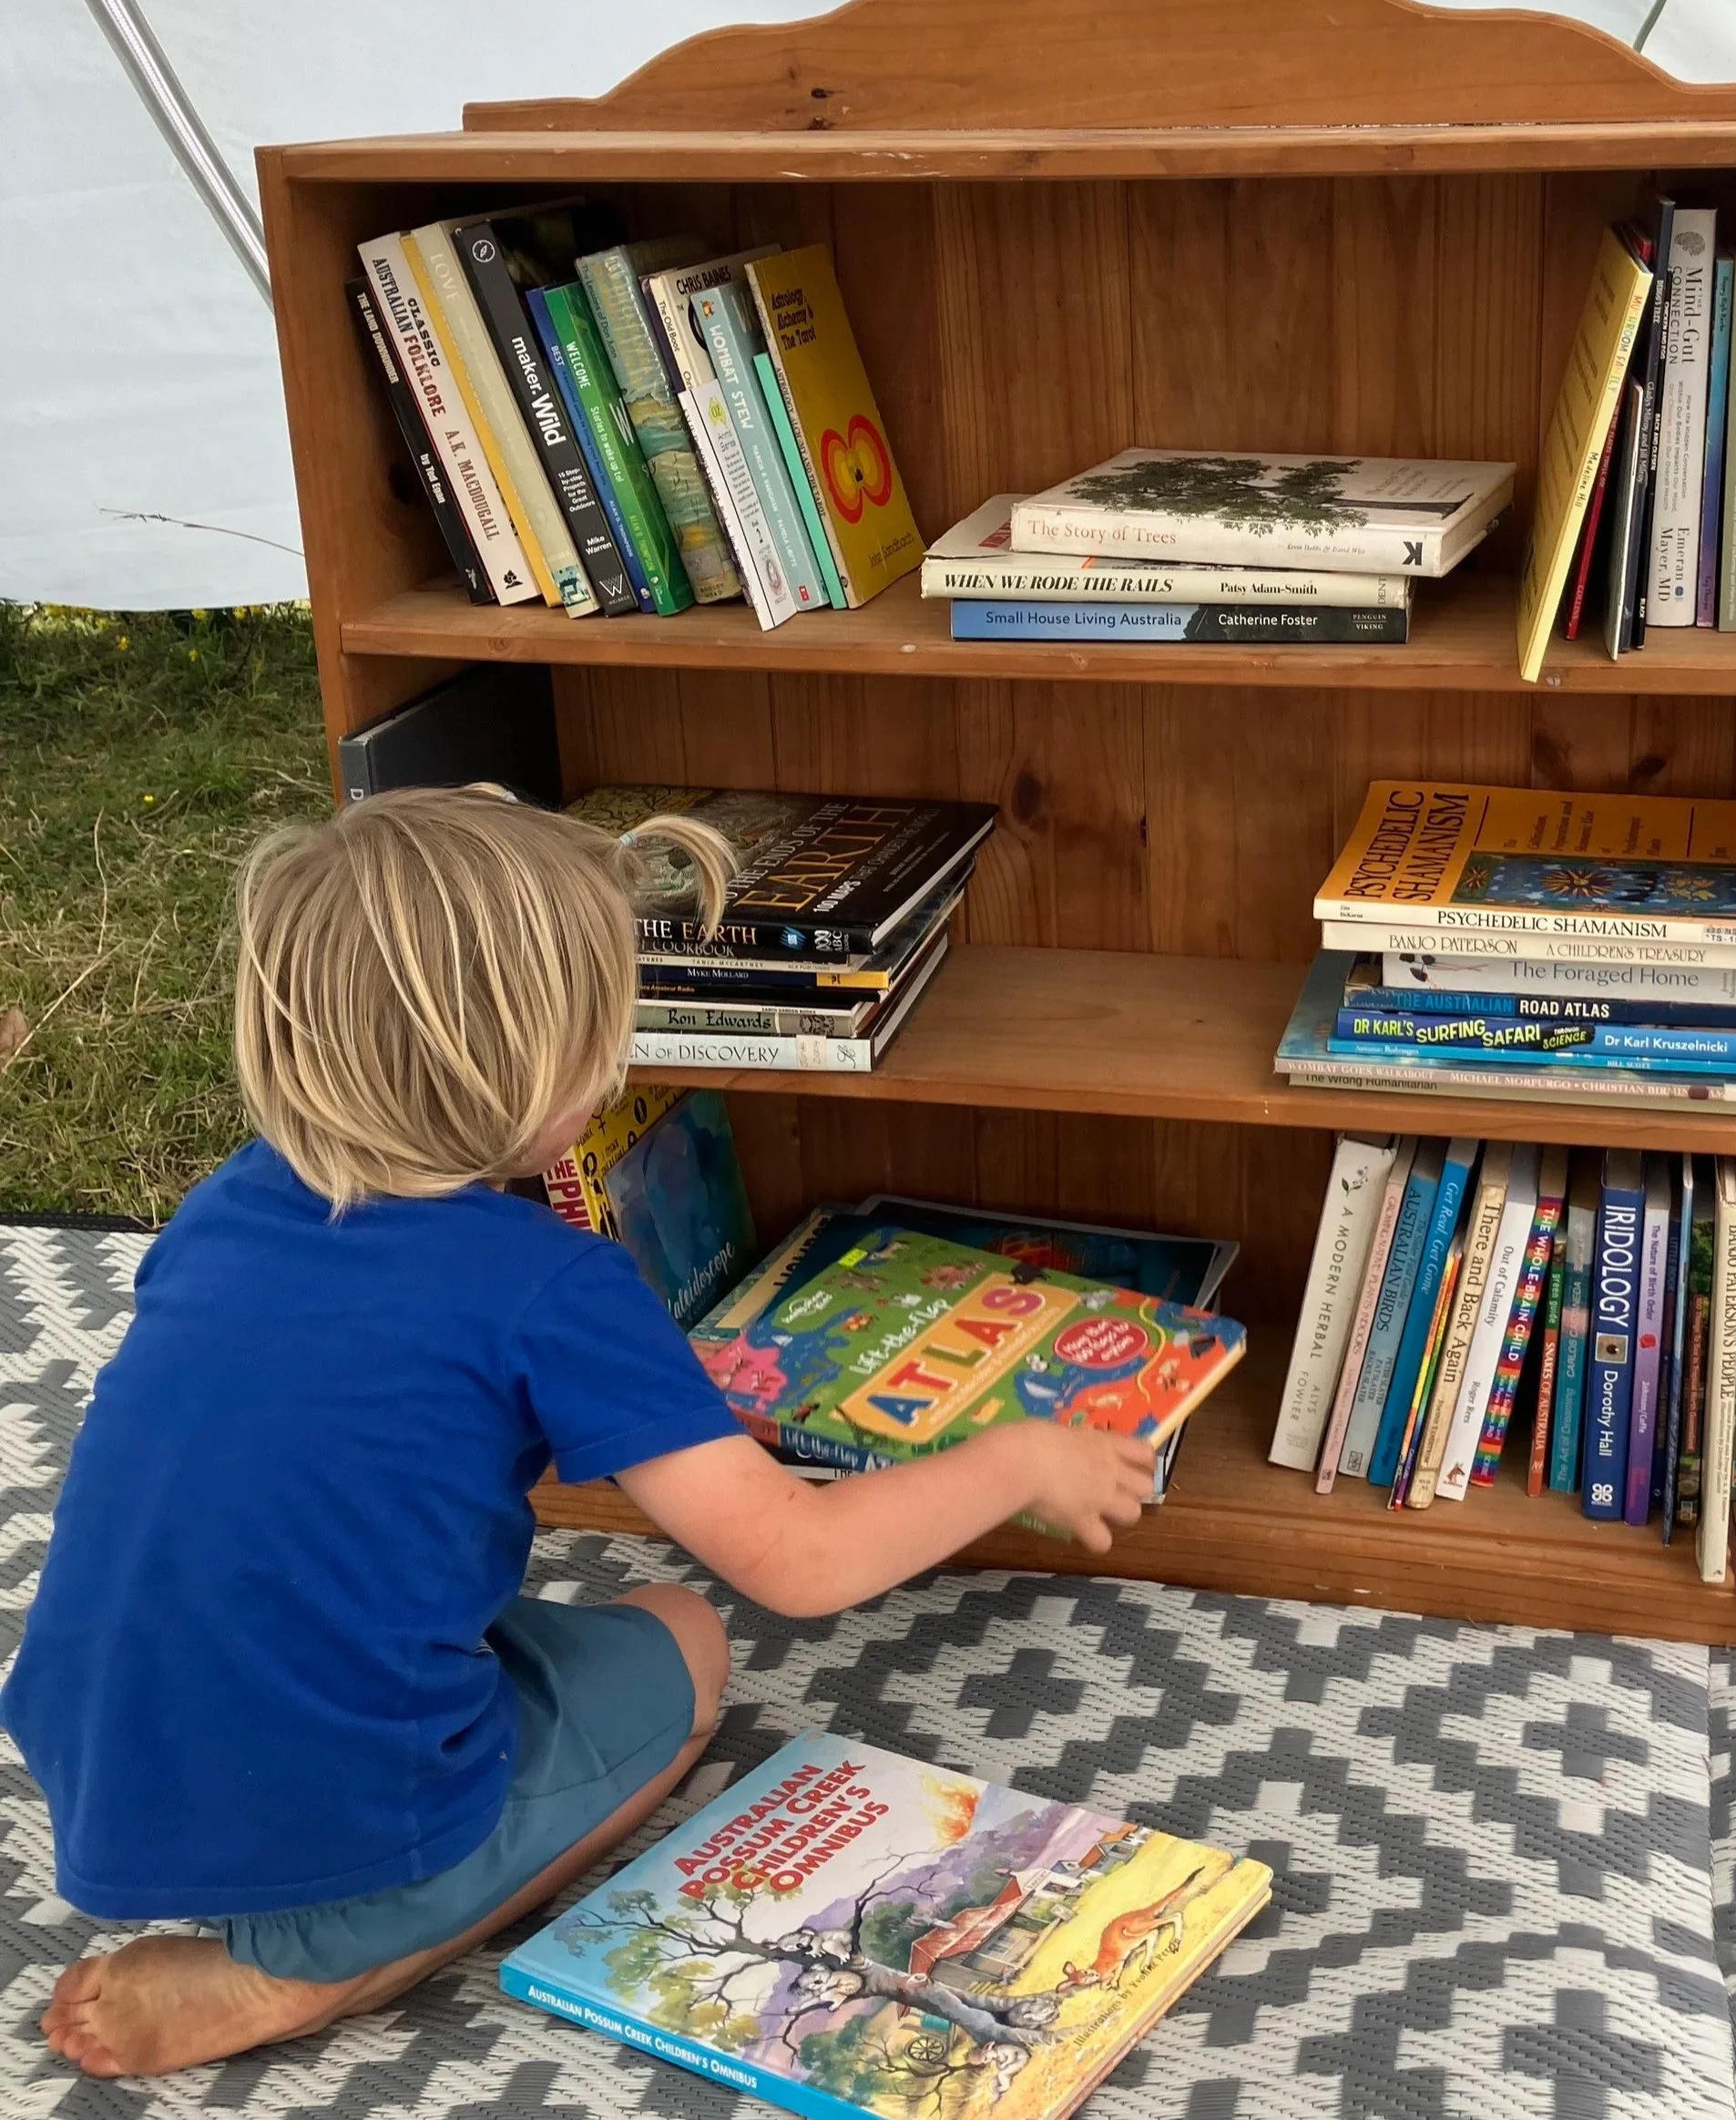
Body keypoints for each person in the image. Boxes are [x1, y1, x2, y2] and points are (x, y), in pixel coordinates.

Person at [4, 788, 1152, 2080]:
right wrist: (1016, 1460)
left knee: (431, 1608)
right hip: (330, 1798)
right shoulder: (550, 1283)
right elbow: (801, 1563)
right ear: (553, 1066)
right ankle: (321, 1960)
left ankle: (317, 1891)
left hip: (96, 1755)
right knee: (690, 1640)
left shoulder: (228, 1203)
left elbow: (311, 1437)